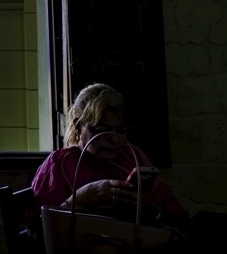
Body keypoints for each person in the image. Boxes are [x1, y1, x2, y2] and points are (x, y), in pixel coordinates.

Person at [27, 83, 188, 238]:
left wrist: (148, 206)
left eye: (120, 131)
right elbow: (37, 232)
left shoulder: (132, 156)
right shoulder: (60, 164)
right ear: (78, 126)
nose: (115, 140)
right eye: (102, 130)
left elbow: (175, 216)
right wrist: (81, 198)